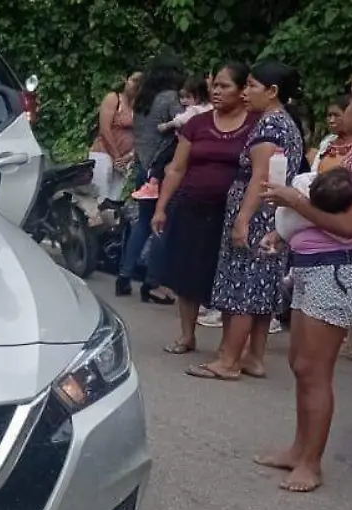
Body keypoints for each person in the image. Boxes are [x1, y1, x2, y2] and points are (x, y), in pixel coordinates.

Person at [259, 89, 352, 491]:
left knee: (316, 371)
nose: (340, 113)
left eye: (347, 107)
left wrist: (294, 202)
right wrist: (283, 233)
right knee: (301, 364)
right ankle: (299, 450)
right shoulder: (334, 149)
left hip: (334, 271)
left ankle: (311, 463)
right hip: (308, 267)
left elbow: (350, 227)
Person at [187, 61, 305, 382]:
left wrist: (243, 219)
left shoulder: (270, 126)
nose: (247, 92)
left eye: (252, 85)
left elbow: (260, 176)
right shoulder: (284, 123)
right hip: (272, 214)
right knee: (262, 284)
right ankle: (254, 357)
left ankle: (229, 360)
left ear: (272, 91)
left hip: (256, 212)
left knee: (242, 284)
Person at [154, 63, 259, 355]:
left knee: (227, 276)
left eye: (224, 86)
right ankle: (187, 336)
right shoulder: (196, 124)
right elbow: (176, 168)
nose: (216, 91)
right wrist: (161, 208)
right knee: (186, 273)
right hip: (192, 206)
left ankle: (229, 346)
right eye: (214, 85)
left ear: (242, 91)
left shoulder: (255, 125)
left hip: (232, 213)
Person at [117, 53, 184, 303]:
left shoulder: (143, 98)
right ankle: (153, 283)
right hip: (162, 170)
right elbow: (184, 126)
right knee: (162, 224)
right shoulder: (170, 99)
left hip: (142, 168)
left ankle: (124, 275)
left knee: (143, 223)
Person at [88, 70, 139, 203]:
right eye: (134, 80)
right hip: (104, 154)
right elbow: (104, 129)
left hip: (125, 159)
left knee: (114, 201)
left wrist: (129, 156)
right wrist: (116, 157)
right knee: (99, 198)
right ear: (125, 80)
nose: (135, 85)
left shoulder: (139, 107)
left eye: (140, 82)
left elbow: (141, 134)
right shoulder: (113, 98)